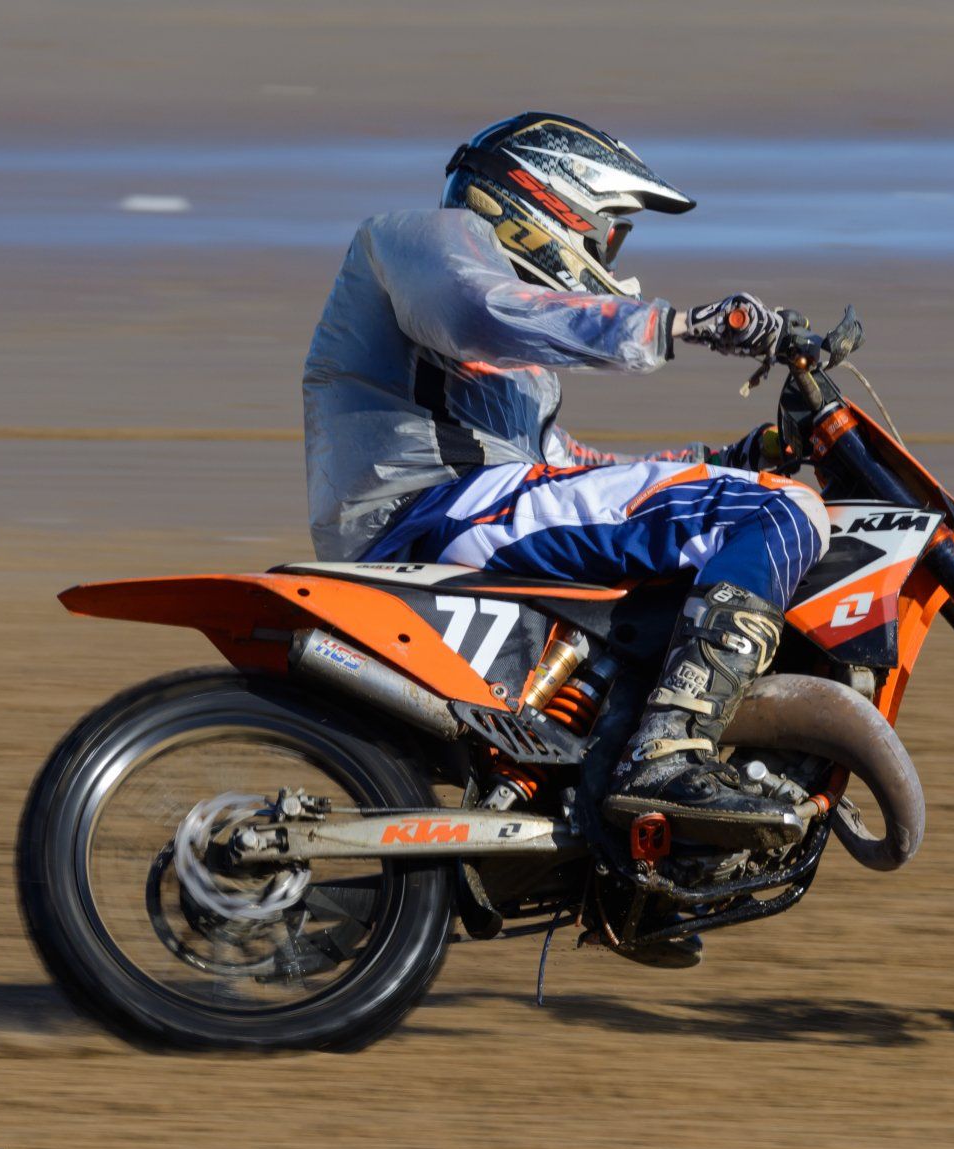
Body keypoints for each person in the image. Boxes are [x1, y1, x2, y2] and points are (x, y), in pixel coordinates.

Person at [302, 112, 827, 855]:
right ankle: (669, 756)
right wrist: (678, 324)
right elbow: (475, 310)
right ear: (542, 204)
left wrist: (739, 454)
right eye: (606, 231)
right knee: (782, 513)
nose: (608, 253)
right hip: (430, 517)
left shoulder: (514, 363)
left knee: (740, 503)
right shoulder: (419, 238)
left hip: (468, 512)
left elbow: (571, 469)